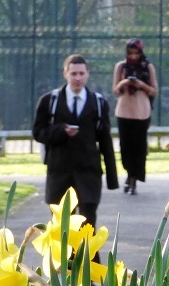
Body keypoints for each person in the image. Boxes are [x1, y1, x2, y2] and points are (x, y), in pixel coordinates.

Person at [32, 55, 118, 226]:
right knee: (62, 227)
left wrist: (112, 177)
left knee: (87, 227)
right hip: (59, 173)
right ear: (65, 74)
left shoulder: (99, 103)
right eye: (73, 74)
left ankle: (87, 255)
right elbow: (38, 132)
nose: (77, 78)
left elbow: (105, 141)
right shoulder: (50, 101)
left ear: (87, 74)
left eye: (81, 73)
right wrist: (60, 131)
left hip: (88, 174)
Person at [112, 39, 158, 195]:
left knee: (139, 148)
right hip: (124, 112)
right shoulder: (121, 66)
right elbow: (115, 90)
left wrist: (141, 85)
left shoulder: (148, 67)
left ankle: (134, 179)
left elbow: (154, 91)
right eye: (130, 53)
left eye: (136, 53)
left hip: (141, 112)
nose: (133, 56)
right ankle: (129, 173)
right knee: (125, 147)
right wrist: (125, 82)